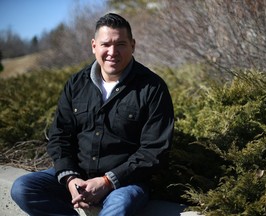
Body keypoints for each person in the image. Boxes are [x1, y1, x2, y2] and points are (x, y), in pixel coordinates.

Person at [11, 13, 174, 216]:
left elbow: (154, 151)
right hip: (78, 176)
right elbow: (59, 136)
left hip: (124, 183)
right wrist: (70, 179)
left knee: (118, 208)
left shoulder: (153, 88)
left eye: (121, 44)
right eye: (106, 44)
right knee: (23, 188)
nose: (112, 52)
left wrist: (107, 181)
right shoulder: (76, 84)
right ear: (94, 46)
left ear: (133, 45)